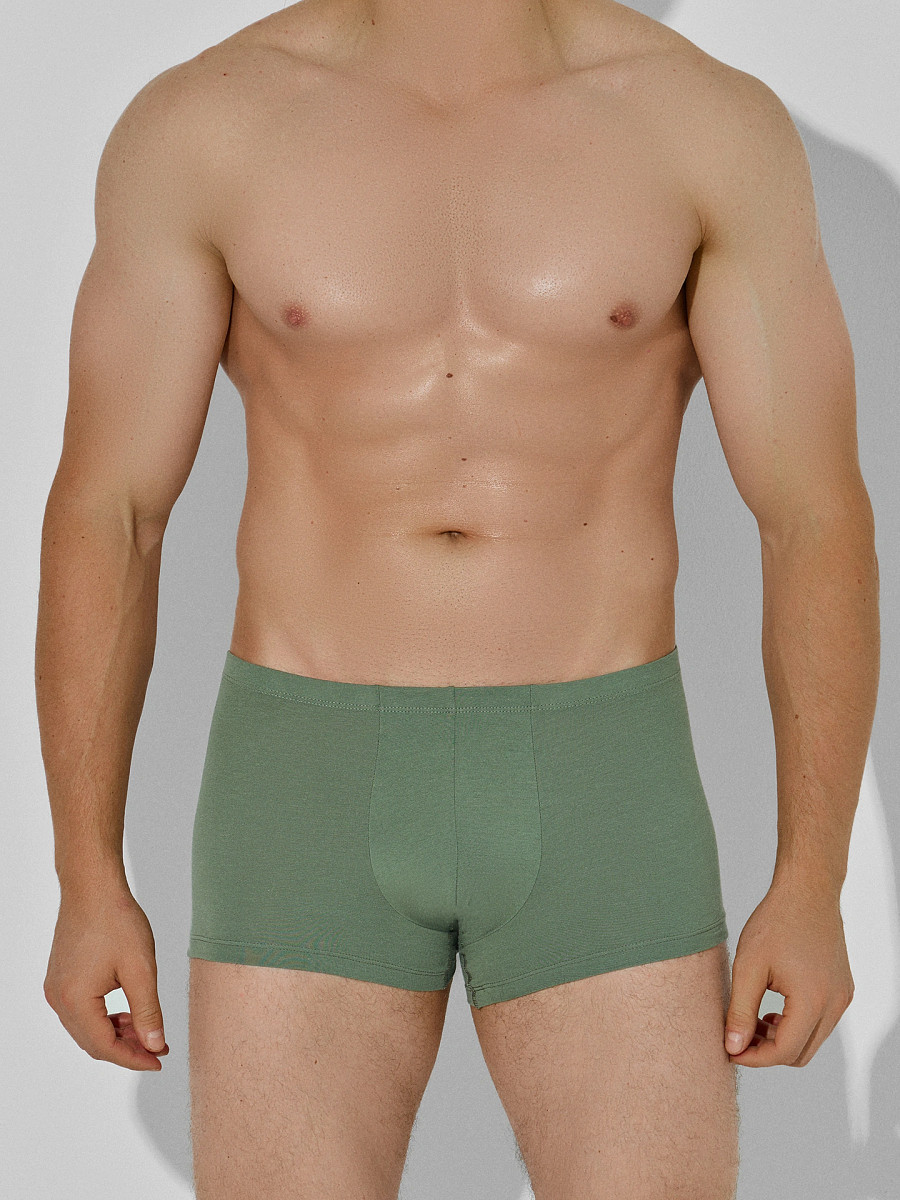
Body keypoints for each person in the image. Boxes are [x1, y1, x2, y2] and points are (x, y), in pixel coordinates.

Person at [36, 1, 879, 1196]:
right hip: (304, 788)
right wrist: (85, 876)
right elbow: (111, 510)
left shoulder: (701, 126)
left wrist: (813, 878)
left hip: (602, 780)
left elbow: (812, 515)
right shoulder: (209, 125)